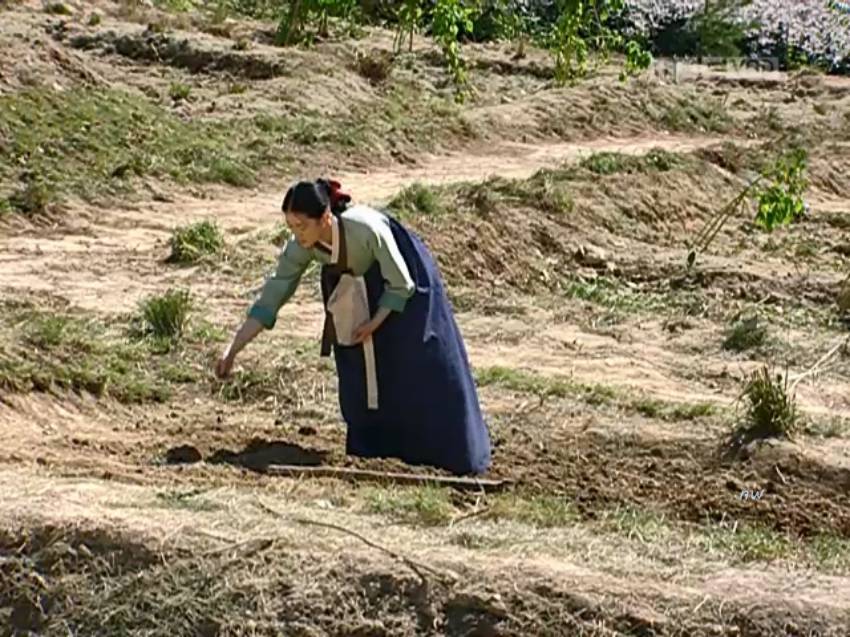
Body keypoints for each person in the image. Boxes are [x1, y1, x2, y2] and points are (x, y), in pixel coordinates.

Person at [215, 178, 492, 476]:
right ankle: (373, 449)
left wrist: (375, 322)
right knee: (359, 368)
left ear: (325, 218)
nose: (297, 235)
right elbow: (272, 297)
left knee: (417, 359)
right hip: (352, 288)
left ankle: (449, 451)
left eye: (302, 226)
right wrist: (232, 350)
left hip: (405, 280)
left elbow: (401, 283)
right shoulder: (304, 245)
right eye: (291, 227)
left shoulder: (366, 229)